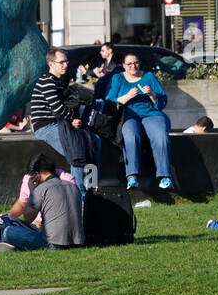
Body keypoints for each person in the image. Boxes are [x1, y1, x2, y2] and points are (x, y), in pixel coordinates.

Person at [105, 51, 173, 190]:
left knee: (160, 135)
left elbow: (162, 102)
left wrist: (152, 94)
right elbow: (110, 101)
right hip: (128, 115)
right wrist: (127, 96)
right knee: (130, 135)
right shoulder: (117, 78)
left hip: (151, 114)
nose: (133, 66)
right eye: (129, 63)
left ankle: (165, 177)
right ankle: (132, 177)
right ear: (123, 65)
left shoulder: (148, 76)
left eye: (136, 63)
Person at [29, 49, 91, 200]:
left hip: (57, 123)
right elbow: (57, 108)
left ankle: (90, 192)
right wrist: (72, 119)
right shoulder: (47, 81)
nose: (65, 65)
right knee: (76, 152)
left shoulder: (59, 81)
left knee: (90, 144)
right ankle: (79, 196)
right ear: (51, 64)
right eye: (61, 62)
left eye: (66, 62)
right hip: (45, 126)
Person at [0, 154, 85, 251]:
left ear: (37, 175)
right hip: (78, 242)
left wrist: (32, 192)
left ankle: (18, 247)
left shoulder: (41, 189)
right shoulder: (72, 186)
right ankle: (19, 246)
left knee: (8, 232)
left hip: (54, 243)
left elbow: (28, 218)